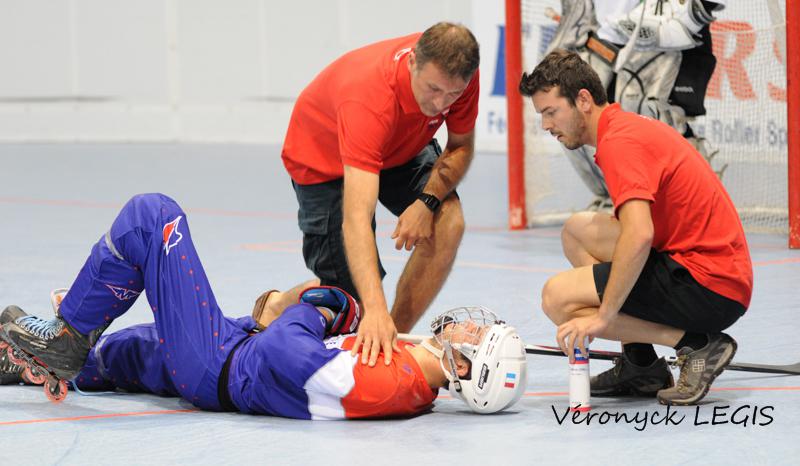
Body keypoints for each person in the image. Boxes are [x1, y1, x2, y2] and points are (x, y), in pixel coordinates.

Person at [0, 193, 527, 418]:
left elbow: (287, 354)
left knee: (152, 217)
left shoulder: (389, 383)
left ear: (465, 369)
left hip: (221, 363)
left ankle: (68, 334)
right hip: (231, 350)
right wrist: (334, 307)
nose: (471, 327)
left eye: (478, 338)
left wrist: (313, 312)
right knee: (123, 354)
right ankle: (36, 362)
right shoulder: (409, 372)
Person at [518, 50, 752, 406]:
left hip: (711, 285)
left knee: (557, 298)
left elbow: (639, 234)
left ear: (583, 100)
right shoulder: (622, 128)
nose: (546, 125)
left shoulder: (619, 143)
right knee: (576, 231)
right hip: (713, 270)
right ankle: (640, 364)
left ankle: (697, 344)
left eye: (551, 112)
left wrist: (604, 317)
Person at [266, 22, 480, 368]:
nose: (441, 103)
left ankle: (391, 343)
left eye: (452, 94)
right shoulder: (368, 98)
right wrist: (374, 310)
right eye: (433, 89)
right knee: (353, 304)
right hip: (325, 161)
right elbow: (357, 218)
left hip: (398, 145)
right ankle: (278, 305)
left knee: (449, 222)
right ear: (412, 62)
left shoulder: (458, 74)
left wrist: (427, 203)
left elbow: (460, 146)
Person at [542, 0, 727, 210]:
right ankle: (615, 202)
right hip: (604, 35)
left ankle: (698, 202)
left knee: (650, 116)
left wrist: (692, 15)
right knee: (573, 115)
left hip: (668, 35)